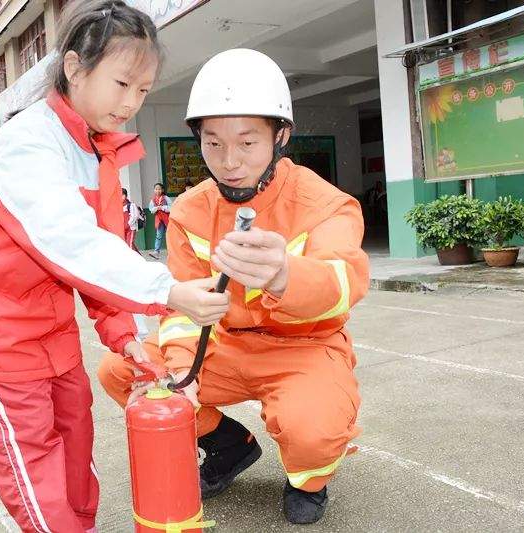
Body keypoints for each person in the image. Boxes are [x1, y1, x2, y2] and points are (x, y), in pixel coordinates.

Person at [0, 2, 229, 531]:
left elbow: (104, 248)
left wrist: (124, 335)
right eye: (122, 83)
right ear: (74, 68)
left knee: (75, 448)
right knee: (33, 468)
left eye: (144, 90)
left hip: (46, 324)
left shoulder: (92, 146)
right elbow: (72, 244)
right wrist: (169, 291)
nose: (131, 103)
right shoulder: (26, 144)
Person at [98, 49, 369, 525]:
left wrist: (285, 275)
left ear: (280, 135)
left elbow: (346, 280)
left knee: (315, 430)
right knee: (123, 370)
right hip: (222, 344)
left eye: (247, 143)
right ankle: (227, 445)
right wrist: (183, 375)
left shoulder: (327, 203)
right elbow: (182, 305)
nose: (229, 162)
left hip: (303, 347)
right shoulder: (188, 211)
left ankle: (308, 478)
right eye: (213, 143)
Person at [147, 182, 171, 259]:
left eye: (159, 189)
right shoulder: (153, 200)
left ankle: (172, 251)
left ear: (162, 190)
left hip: (167, 219)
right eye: (156, 189)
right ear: (154, 190)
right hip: (159, 220)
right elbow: (151, 209)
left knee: (170, 235)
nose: (158, 191)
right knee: (159, 236)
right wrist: (156, 208)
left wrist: (163, 207)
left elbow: (171, 207)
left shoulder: (166, 198)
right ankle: (156, 251)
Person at [121, 187, 141, 252]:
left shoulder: (131, 205)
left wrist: (129, 223)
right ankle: (139, 258)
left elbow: (135, 215)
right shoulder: (119, 206)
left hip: (131, 228)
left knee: (129, 245)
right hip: (123, 229)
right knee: (128, 244)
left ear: (125, 196)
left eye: (121, 195)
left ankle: (132, 260)